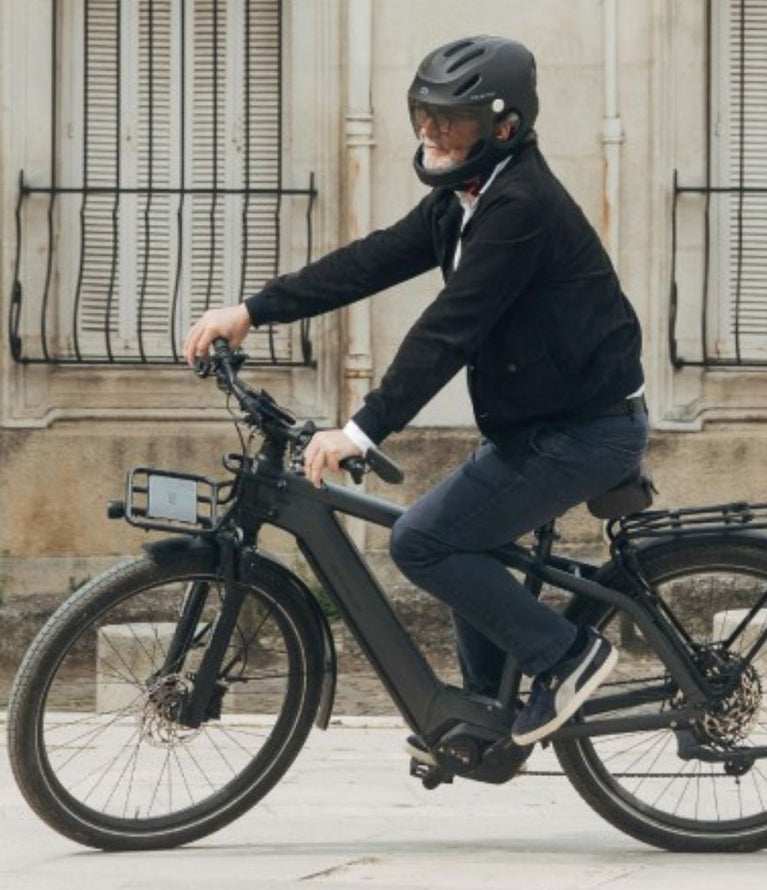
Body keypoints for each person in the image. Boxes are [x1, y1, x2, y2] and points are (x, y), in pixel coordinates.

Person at [184, 35, 647, 753]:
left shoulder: (520, 207)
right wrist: (253, 310)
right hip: (537, 427)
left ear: (503, 128)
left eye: (449, 121)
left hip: (583, 432)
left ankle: (566, 656)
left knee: (424, 542)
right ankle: (485, 722)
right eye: (422, 115)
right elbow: (368, 262)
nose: (430, 132)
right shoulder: (461, 201)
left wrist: (361, 430)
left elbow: (448, 330)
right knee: (458, 538)